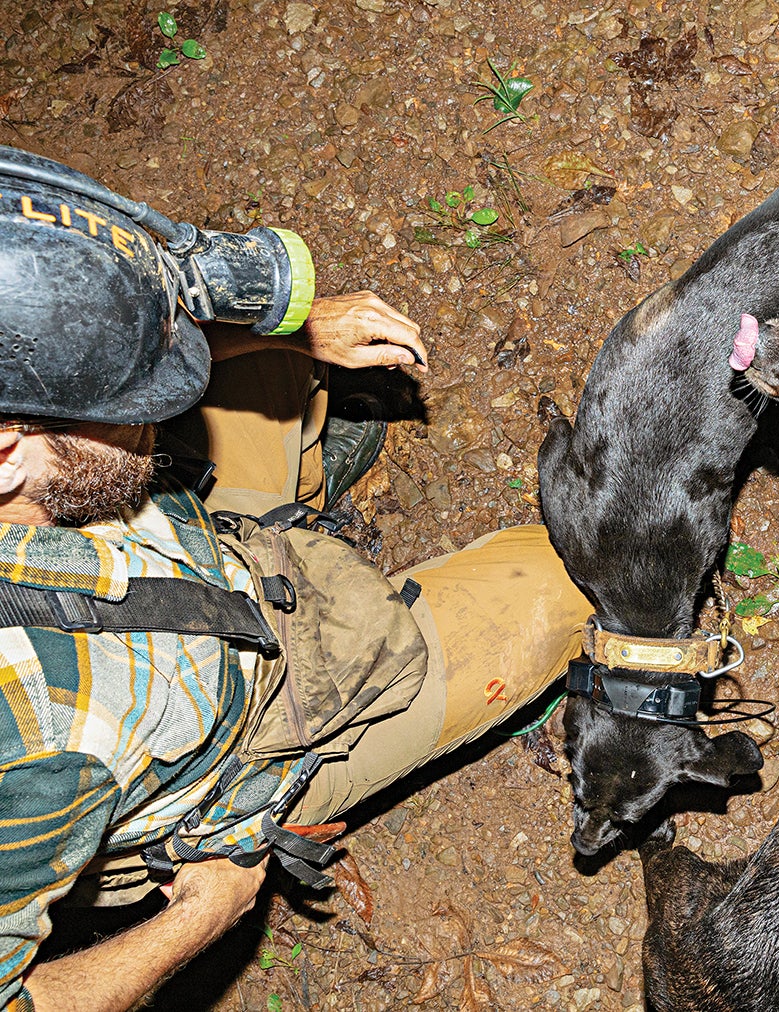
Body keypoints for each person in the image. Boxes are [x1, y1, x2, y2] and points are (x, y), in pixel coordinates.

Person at [0, 177, 592, 1009]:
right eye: (128, 401)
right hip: (256, 725)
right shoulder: (34, 746)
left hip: (200, 553)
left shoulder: (41, 465)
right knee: (566, 577)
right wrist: (199, 919)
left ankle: (298, 503)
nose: (159, 404)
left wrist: (300, 327)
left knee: (270, 357)